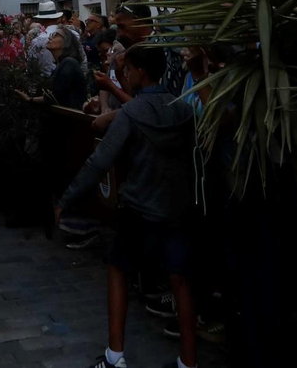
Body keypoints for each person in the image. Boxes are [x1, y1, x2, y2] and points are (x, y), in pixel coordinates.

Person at [57, 45, 198, 368]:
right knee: (181, 280)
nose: (126, 75)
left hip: (139, 205)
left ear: (140, 72)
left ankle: (115, 355)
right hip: (176, 205)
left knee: (119, 270)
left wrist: (68, 199)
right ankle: (188, 362)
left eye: (129, 70)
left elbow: (100, 160)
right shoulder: (182, 108)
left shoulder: (132, 113)